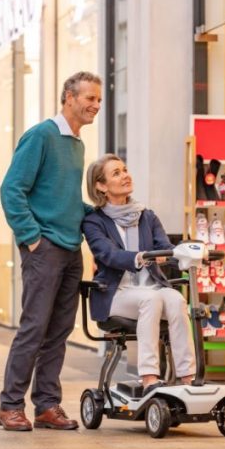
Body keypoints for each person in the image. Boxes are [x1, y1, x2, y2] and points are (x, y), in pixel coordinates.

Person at [0, 71, 102, 431]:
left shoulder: (76, 143)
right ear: (68, 98)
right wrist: (31, 238)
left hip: (71, 249)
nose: (96, 105)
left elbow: (68, 201)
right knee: (34, 328)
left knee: (59, 331)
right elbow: (12, 189)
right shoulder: (42, 135)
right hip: (44, 249)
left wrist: (100, 215)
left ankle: (46, 404)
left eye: (99, 100)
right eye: (90, 98)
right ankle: (10, 405)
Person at [82, 154, 195, 395]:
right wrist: (138, 257)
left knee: (176, 299)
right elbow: (107, 254)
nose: (125, 175)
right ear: (101, 186)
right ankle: (149, 377)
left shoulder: (147, 216)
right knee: (151, 300)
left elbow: (163, 246)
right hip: (117, 294)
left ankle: (187, 377)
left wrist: (181, 254)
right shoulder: (94, 221)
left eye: (125, 170)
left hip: (151, 288)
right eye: (116, 173)